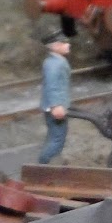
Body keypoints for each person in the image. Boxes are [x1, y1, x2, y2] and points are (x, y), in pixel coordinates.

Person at [38, 30, 72, 163]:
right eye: (64, 43)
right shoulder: (55, 64)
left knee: (53, 137)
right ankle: (43, 165)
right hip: (55, 108)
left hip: (55, 106)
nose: (68, 45)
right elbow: (52, 86)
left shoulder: (55, 61)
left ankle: (47, 164)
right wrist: (56, 105)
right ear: (56, 46)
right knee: (57, 140)